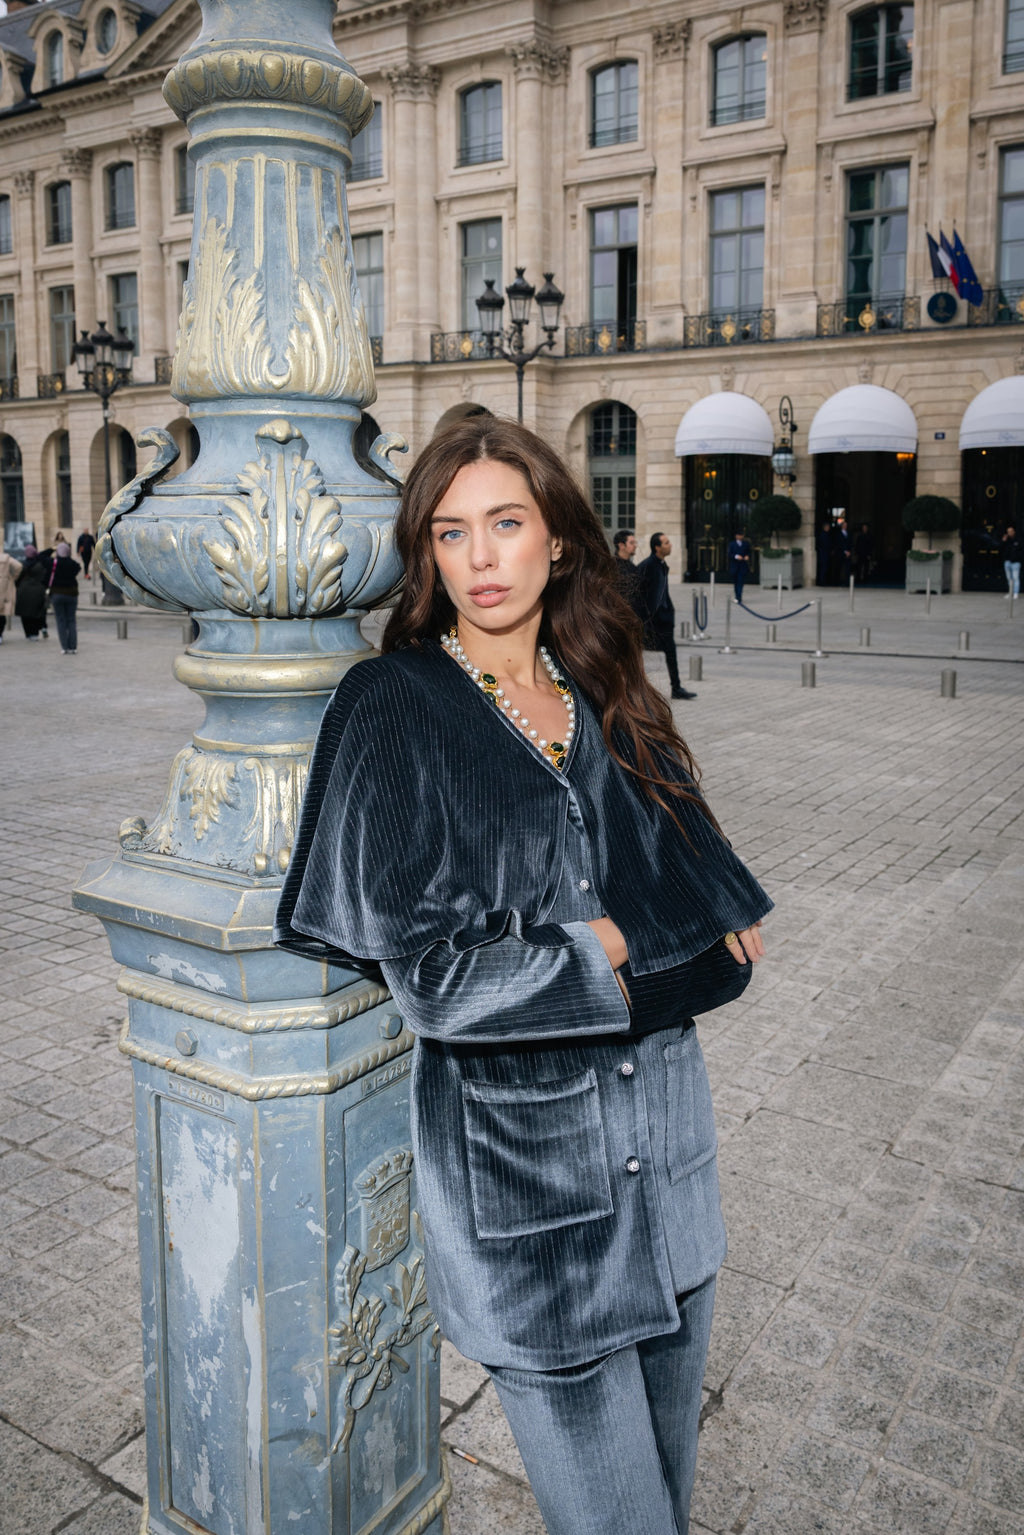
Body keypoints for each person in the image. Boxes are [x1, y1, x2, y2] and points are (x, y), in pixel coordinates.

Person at [275, 417, 772, 1535]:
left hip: (672, 1183)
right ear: (428, 555)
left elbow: (734, 945)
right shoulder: (392, 704)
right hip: (536, 1217)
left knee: (669, 1508)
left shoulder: (606, 688)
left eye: (506, 523)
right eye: (451, 533)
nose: (482, 556)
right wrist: (609, 942)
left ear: (558, 542)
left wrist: (594, 947)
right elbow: (443, 984)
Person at [637, 532, 697, 701]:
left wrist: (669, 610)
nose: (670, 545)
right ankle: (670, 688)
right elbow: (642, 595)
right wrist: (647, 618)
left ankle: (676, 687)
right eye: (666, 543)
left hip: (663, 619)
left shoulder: (660, 564)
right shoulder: (648, 566)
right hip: (654, 621)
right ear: (657, 548)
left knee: (670, 652)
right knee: (640, 654)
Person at [48, 541, 81, 654]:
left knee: (61, 621)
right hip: (71, 594)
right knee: (71, 620)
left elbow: (41, 556)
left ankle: (64, 647)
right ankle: (73, 647)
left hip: (57, 594)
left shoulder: (53, 563)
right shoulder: (73, 564)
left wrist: (52, 549)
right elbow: (78, 568)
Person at [14, 545, 49, 640]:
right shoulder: (40, 564)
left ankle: (28, 633)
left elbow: (17, 579)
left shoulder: (23, 565)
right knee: (37, 612)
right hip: (38, 590)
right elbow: (45, 577)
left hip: (24, 590)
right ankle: (35, 632)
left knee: (25, 613)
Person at [611, 526, 642, 617]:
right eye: (631, 543)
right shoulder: (612, 567)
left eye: (635, 542)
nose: (635, 546)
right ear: (621, 545)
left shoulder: (633, 567)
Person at [0, 546, 23, 645]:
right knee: (2, 612)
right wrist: (12, 577)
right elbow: (18, 566)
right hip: (4, 584)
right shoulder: (6, 558)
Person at [726, 528, 752, 604]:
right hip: (735, 565)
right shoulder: (732, 544)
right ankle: (737, 595)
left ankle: (739, 597)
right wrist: (736, 556)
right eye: (739, 535)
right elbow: (729, 554)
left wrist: (747, 556)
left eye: (741, 535)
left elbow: (749, 552)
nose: (740, 537)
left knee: (740, 581)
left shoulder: (746, 544)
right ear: (736, 536)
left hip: (742, 566)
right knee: (735, 582)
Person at [1001, 525, 1021, 597]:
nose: (1009, 533)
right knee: (1009, 578)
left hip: (1016, 562)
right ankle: (1010, 592)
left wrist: (1018, 558)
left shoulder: (1018, 540)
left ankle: (1016, 593)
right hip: (1007, 561)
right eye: (1008, 532)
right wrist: (1003, 541)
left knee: (1015, 578)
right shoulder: (1007, 540)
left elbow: (1020, 550)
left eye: (1011, 531)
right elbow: (1001, 549)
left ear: (1014, 531)